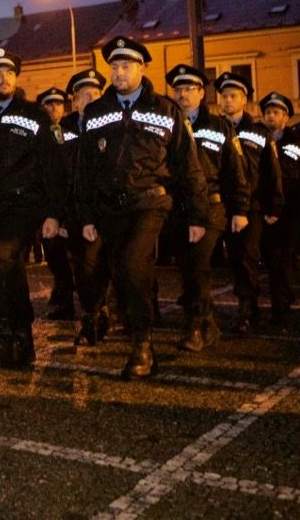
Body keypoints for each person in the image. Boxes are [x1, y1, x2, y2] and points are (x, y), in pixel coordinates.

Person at [77, 38, 209, 378]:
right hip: (110, 207)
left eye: (126, 66)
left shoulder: (165, 110)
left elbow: (188, 165)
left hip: (150, 201)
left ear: (142, 68)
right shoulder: (96, 112)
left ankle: (142, 345)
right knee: (119, 270)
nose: (119, 73)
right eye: (114, 67)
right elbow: (85, 169)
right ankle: (130, 325)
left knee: (134, 263)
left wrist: (198, 214)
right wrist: (86, 215)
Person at [0, 49, 63, 369]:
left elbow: (53, 165)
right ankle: (13, 338)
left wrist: (53, 212)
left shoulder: (34, 114)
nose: (3, 79)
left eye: (9, 73)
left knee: (3, 257)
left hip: (22, 203)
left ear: (16, 78)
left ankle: (15, 336)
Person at [165, 64, 249, 352]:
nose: (182, 94)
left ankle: (197, 325)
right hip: (178, 207)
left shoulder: (219, 127)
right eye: (177, 89)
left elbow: (235, 170)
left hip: (211, 207)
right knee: (187, 267)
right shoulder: (166, 125)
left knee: (197, 265)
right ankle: (208, 322)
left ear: (202, 93)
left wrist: (240, 209)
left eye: (189, 88)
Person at [215, 72, 283, 334]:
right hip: (221, 203)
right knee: (231, 259)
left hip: (251, 206)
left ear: (244, 100)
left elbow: (271, 171)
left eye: (233, 96)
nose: (227, 100)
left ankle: (248, 310)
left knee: (246, 258)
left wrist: (274, 205)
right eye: (224, 96)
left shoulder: (258, 132)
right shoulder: (215, 129)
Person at [259, 92, 300, 330]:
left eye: (276, 112)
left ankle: (280, 307)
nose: (271, 116)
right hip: (263, 213)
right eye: (268, 112)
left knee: (281, 262)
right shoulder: (257, 142)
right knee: (268, 261)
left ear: (286, 117)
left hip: (289, 215)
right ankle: (282, 297)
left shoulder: (299, 148)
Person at [59, 68, 109, 342]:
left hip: (103, 208)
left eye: (95, 94)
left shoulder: (109, 123)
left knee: (95, 263)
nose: (90, 100)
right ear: (75, 101)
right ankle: (96, 310)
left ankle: (94, 315)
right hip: (72, 210)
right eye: (84, 95)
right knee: (80, 266)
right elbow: (55, 172)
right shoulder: (63, 130)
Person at [35, 86, 76, 321]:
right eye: (49, 104)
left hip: (71, 202)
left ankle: (68, 298)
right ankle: (63, 293)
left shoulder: (70, 130)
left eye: (59, 104)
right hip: (46, 201)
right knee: (54, 253)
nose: (54, 108)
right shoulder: (39, 130)